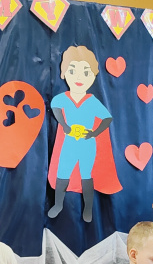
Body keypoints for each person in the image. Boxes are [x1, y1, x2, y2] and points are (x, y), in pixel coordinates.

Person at [47, 46, 121, 223]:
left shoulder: (91, 101)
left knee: (86, 176)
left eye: (86, 73)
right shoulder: (63, 98)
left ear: (93, 76)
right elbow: (55, 106)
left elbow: (107, 118)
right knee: (62, 174)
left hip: (87, 145)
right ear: (64, 74)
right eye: (73, 71)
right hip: (69, 144)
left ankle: (88, 208)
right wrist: (64, 125)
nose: (79, 78)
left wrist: (94, 133)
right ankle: (58, 204)